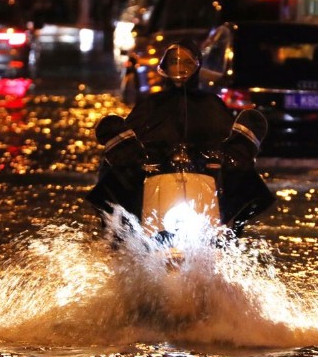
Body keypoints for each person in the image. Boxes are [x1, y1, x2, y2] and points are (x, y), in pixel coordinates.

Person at [87, 41, 275, 231]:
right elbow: (129, 142)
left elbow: (229, 143)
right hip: (157, 183)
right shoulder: (151, 104)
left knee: (238, 194)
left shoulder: (211, 104)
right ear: (165, 67)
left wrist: (227, 158)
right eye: (175, 62)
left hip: (203, 183)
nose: (181, 68)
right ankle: (124, 236)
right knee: (118, 189)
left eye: (187, 62)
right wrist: (136, 159)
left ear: (197, 66)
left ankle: (229, 234)